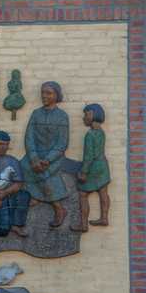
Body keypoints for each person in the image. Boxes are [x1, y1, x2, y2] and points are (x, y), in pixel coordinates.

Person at [19, 81, 69, 227]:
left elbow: (62, 143)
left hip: (54, 157)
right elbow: (29, 137)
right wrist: (34, 157)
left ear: (56, 95)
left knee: (43, 173)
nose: (44, 96)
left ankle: (59, 209)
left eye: (49, 93)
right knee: (23, 167)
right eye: (42, 92)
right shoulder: (36, 114)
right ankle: (37, 195)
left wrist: (47, 160)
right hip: (35, 155)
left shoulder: (62, 116)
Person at [70, 103, 111, 232]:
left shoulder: (90, 134)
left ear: (93, 115)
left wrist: (84, 172)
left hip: (93, 167)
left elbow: (88, 156)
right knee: (103, 192)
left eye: (86, 114)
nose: (84, 117)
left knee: (83, 194)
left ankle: (83, 225)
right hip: (103, 165)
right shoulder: (101, 132)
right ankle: (104, 218)